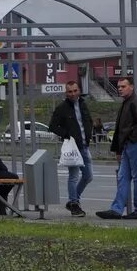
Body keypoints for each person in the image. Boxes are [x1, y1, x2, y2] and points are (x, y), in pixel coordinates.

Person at [97, 77, 137, 220]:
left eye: (123, 86)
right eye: (119, 86)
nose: (120, 88)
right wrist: (119, 149)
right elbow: (122, 128)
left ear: (131, 87)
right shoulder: (127, 103)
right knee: (123, 177)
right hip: (129, 144)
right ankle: (117, 209)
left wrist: (131, 140)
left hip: (135, 144)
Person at [49, 80, 94, 217]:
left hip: (85, 145)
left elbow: (88, 121)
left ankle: (74, 199)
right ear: (66, 93)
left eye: (75, 91)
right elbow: (52, 126)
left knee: (88, 176)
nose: (73, 94)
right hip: (73, 147)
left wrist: (89, 134)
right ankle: (74, 204)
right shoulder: (62, 108)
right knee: (73, 176)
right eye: (70, 91)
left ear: (79, 91)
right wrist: (67, 135)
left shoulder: (83, 104)